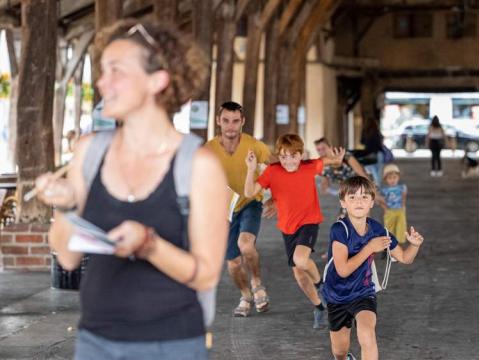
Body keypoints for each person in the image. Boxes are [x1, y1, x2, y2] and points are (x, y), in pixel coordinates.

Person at [35, 20, 228, 359]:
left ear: (158, 80)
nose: (101, 82)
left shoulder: (198, 165)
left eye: (116, 71)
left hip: (173, 344)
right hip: (95, 341)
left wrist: (149, 245)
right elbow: (66, 257)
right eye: (102, 70)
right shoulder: (89, 151)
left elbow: (206, 275)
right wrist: (64, 206)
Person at [244, 133, 345, 329]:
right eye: (283, 157)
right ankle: (319, 308)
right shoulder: (272, 172)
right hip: (287, 228)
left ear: (301, 155)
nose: (288, 161)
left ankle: (322, 286)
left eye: (293, 156)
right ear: (278, 156)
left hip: (309, 222)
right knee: (299, 274)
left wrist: (337, 159)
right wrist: (250, 169)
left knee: (300, 259)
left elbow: (328, 160)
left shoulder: (309, 167)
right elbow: (249, 192)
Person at [322, 176, 424, 360]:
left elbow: (403, 258)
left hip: (363, 292)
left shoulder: (377, 230)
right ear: (343, 203)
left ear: (372, 202)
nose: (358, 201)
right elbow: (343, 270)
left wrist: (414, 246)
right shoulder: (339, 230)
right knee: (339, 351)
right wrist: (369, 248)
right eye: (352, 197)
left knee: (367, 334)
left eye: (364, 197)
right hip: (336, 295)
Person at [206, 101, 271, 317]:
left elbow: (275, 173)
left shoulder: (256, 146)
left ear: (242, 122)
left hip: (250, 202)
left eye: (235, 121)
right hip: (223, 209)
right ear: (218, 121)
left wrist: (277, 200)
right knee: (233, 264)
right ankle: (245, 295)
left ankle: (257, 283)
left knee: (246, 245)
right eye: (226, 121)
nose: (230, 126)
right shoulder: (209, 149)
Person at [379, 164, 407, 252]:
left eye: (394, 177)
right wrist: (385, 208)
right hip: (390, 211)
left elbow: (403, 196)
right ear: (386, 179)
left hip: (399, 210)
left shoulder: (401, 188)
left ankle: (397, 248)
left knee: (400, 227)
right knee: (389, 229)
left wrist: (403, 206)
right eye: (390, 178)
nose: (392, 180)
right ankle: (387, 248)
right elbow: (379, 200)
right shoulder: (384, 190)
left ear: (398, 177)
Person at [360, 120, 385, 186]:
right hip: (379, 154)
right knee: (379, 172)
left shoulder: (365, 132)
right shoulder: (377, 132)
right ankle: (378, 186)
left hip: (369, 154)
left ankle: (375, 186)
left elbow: (362, 142)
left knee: (372, 171)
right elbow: (380, 143)